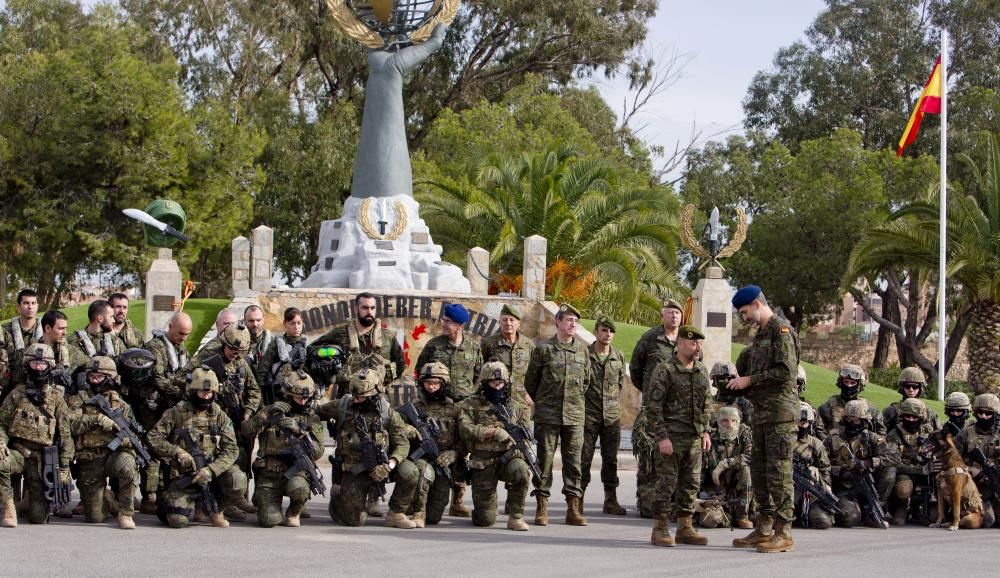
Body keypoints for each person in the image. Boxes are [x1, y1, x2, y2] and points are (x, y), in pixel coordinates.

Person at [727, 285, 799, 553]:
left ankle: (784, 532)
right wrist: (738, 384)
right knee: (759, 471)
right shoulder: (760, 336)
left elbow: (786, 371)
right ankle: (764, 527)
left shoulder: (782, 331)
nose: (743, 317)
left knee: (779, 474)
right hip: (761, 414)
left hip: (780, 415)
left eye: (744, 312)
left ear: (757, 304)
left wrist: (750, 379)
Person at [318, 368, 418, 528]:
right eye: (354, 396)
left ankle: (396, 514)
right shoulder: (343, 406)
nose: (356, 400)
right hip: (355, 469)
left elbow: (402, 443)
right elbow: (316, 412)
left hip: (383, 465)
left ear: (375, 394)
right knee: (356, 521)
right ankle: (338, 495)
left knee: (410, 472)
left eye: (362, 397)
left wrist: (389, 465)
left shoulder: (387, 413)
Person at [148, 367, 247, 528]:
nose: (206, 397)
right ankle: (188, 504)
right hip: (183, 475)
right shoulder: (176, 412)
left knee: (238, 480)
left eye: (209, 393)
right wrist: (177, 451)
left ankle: (217, 509)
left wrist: (211, 470)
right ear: (192, 391)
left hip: (210, 474)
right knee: (177, 521)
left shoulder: (219, 415)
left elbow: (231, 449)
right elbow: (153, 437)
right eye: (202, 393)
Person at [644, 325, 712, 546]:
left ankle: (685, 527)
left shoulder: (701, 371)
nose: (697, 347)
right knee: (666, 484)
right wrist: (661, 436)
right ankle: (660, 529)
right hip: (671, 438)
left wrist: (705, 431)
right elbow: (653, 406)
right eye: (693, 343)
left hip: (693, 439)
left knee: (690, 484)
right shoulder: (666, 370)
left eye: (700, 343)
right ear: (680, 343)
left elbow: (706, 404)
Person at [524, 303, 590, 526]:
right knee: (544, 462)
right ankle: (541, 508)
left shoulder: (582, 351)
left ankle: (573, 508)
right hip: (548, 416)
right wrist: (544, 402)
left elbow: (586, 382)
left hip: (574, 416)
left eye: (575, 321)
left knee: (574, 463)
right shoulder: (544, 350)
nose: (573, 324)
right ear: (558, 322)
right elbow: (530, 382)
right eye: (569, 320)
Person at [0, 344, 74, 527]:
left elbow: (65, 435)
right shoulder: (16, 394)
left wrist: (64, 467)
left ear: (50, 366)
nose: (39, 368)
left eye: (43, 364)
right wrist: (1, 443)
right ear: (27, 365)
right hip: (17, 453)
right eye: (35, 364)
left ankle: (28, 501)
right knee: (1, 462)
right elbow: (1, 424)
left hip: (43, 459)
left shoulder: (56, 398)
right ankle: (9, 505)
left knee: (38, 518)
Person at [242, 369, 325, 528]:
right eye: (297, 397)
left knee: (299, 489)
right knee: (269, 521)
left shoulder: (312, 418)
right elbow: (247, 431)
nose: (302, 402)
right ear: (287, 394)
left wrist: (300, 433)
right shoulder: (271, 411)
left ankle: (294, 512)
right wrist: (266, 414)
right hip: (270, 473)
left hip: (296, 470)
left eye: (305, 398)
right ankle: (268, 504)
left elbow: (319, 450)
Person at [457, 361, 532, 531]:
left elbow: (525, 434)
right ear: (484, 383)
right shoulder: (471, 404)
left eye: (501, 383)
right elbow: (465, 429)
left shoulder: (516, 407)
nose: (497, 387)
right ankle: (486, 509)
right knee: (485, 520)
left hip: (508, 459)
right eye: (493, 383)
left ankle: (516, 517)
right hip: (482, 463)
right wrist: (493, 432)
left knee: (522, 471)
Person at [68, 356, 139, 529]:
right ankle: (107, 498)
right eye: (91, 376)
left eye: (99, 377)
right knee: (95, 517)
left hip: (114, 456)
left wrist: (125, 440)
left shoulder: (121, 405)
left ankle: (125, 513)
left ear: (110, 378)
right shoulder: (78, 400)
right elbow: (70, 425)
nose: (94, 380)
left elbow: (134, 434)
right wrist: (97, 419)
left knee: (129, 465)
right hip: (90, 458)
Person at [197, 323, 260, 519]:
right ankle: (204, 503)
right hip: (211, 420)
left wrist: (248, 411)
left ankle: (232, 500)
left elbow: (254, 391)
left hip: (236, 420)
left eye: (241, 351)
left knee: (239, 458)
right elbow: (185, 380)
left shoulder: (241, 363)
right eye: (233, 349)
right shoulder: (208, 360)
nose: (236, 354)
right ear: (224, 344)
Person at [629, 297, 683, 518]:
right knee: (650, 457)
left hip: (678, 411)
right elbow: (635, 368)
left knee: (675, 459)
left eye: (677, 313)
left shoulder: (687, 339)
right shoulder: (650, 338)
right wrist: (650, 391)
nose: (673, 316)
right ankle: (647, 503)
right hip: (654, 409)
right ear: (662, 315)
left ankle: (672, 503)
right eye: (669, 312)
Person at [138, 312, 192, 514]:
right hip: (152, 407)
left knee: (170, 450)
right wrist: (181, 392)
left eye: (186, 334)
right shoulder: (155, 347)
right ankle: (149, 495)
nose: (183, 337)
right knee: (153, 451)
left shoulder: (180, 348)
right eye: (180, 333)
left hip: (169, 407)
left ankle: (164, 491)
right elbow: (158, 379)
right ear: (170, 326)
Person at [398, 362, 464, 527]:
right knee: (423, 471)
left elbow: (465, 439)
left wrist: (454, 453)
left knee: (434, 517)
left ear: (443, 384)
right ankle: (417, 512)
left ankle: (418, 509)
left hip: (443, 460)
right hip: (422, 459)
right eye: (428, 383)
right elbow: (395, 427)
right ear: (422, 384)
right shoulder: (414, 406)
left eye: (436, 383)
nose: (432, 387)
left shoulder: (454, 409)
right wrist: (410, 430)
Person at [312, 293, 405, 399]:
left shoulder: (388, 337)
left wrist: (384, 382)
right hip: (348, 399)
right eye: (365, 308)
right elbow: (313, 351)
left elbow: (400, 364)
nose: (369, 312)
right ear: (356, 309)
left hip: (379, 399)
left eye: (372, 308)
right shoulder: (339, 334)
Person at [824, 400, 900, 528]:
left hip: (867, 485)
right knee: (850, 519)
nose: (852, 422)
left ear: (864, 421)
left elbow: (895, 456)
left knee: (890, 470)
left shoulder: (872, 438)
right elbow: (820, 464)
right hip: (843, 488)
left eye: (857, 419)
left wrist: (870, 462)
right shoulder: (832, 439)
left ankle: (873, 510)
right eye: (849, 418)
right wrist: (840, 471)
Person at [581, 316, 627, 515]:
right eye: (604, 330)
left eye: (611, 331)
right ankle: (578, 499)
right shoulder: (584, 354)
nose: (608, 335)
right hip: (588, 415)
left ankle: (611, 499)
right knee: (584, 459)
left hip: (611, 417)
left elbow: (619, 384)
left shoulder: (618, 356)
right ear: (596, 332)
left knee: (611, 459)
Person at [700, 406, 753, 529]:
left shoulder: (745, 433)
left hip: (738, 488)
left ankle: (742, 516)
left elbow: (751, 456)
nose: (729, 424)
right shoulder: (711, 438)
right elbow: (699, 468)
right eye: (725, 420)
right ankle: (727, 516)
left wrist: (726, 463)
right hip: (716, 489)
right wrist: (699, 494)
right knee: (710, 520)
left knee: (746, 470)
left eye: (733, 421)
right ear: (718, 422)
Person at [885, 398, 935, 526]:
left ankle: (924, 507)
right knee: (903, 488)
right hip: (905, 472)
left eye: (915, 417)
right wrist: (919, 470)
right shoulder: (894, 434)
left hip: (928, 472)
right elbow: (893, 463)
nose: (911, 420)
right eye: (907, 416)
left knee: (933, 517)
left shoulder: (928, 432)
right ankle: (901, 507)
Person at [955, 393, 1000, 527]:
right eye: (980, 413)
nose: (984, 417)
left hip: (994, 482)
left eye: (988, 414)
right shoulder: (965, 433)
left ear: (995, 414)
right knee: (987, 521)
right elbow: (953, 460)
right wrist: (969, 470)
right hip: (972, 486)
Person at [480, 304, 535, 408]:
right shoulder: (488, 343)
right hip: (496, 398)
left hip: (522, 402)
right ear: (499, 322)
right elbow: (479, 370)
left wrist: (533, 394)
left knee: (521, 425)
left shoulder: (528, 344)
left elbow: (536, 372)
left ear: (518, 323)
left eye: (511, 320)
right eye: (504, 320)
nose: (508, 323)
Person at [792, 403, 833, 529]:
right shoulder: (782, 441)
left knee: (823, 522)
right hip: (783, 489)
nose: (802, 426)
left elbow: (825, 468)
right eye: (799, 422)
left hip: (809, 492)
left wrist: (826, 485)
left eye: (805, 423)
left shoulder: (816, 444)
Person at [255, 307, 308, 406]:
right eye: (292, 323)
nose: (296, 327)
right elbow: (262, 371)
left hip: (302, 395)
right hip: (280, 395)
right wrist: (260, 401)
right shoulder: (277, 343)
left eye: (299, 323)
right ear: (285, 324)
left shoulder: (305, 343)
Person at [817, 364, 885, 435]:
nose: (849, 386)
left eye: (853, 383)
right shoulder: (827, 407)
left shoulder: (870, 409)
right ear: (840, 382)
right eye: (846, 382)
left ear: (859, 385)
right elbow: (819, 431)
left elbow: (881, 433)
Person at [883, 367, 940, 433]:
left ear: (920, 388)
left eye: (915, 387)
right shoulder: (891, 411)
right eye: (907, 386)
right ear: (902, 387)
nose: (911, 390)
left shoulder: (929, 413)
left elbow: (939, 435)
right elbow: (881, 433)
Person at [243, 304, 272, 373]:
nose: (255, 324)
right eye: (251, 321)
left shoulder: (273, 342)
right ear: (244, 321)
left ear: (263, 320)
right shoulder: (237, 342)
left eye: (258, 320)